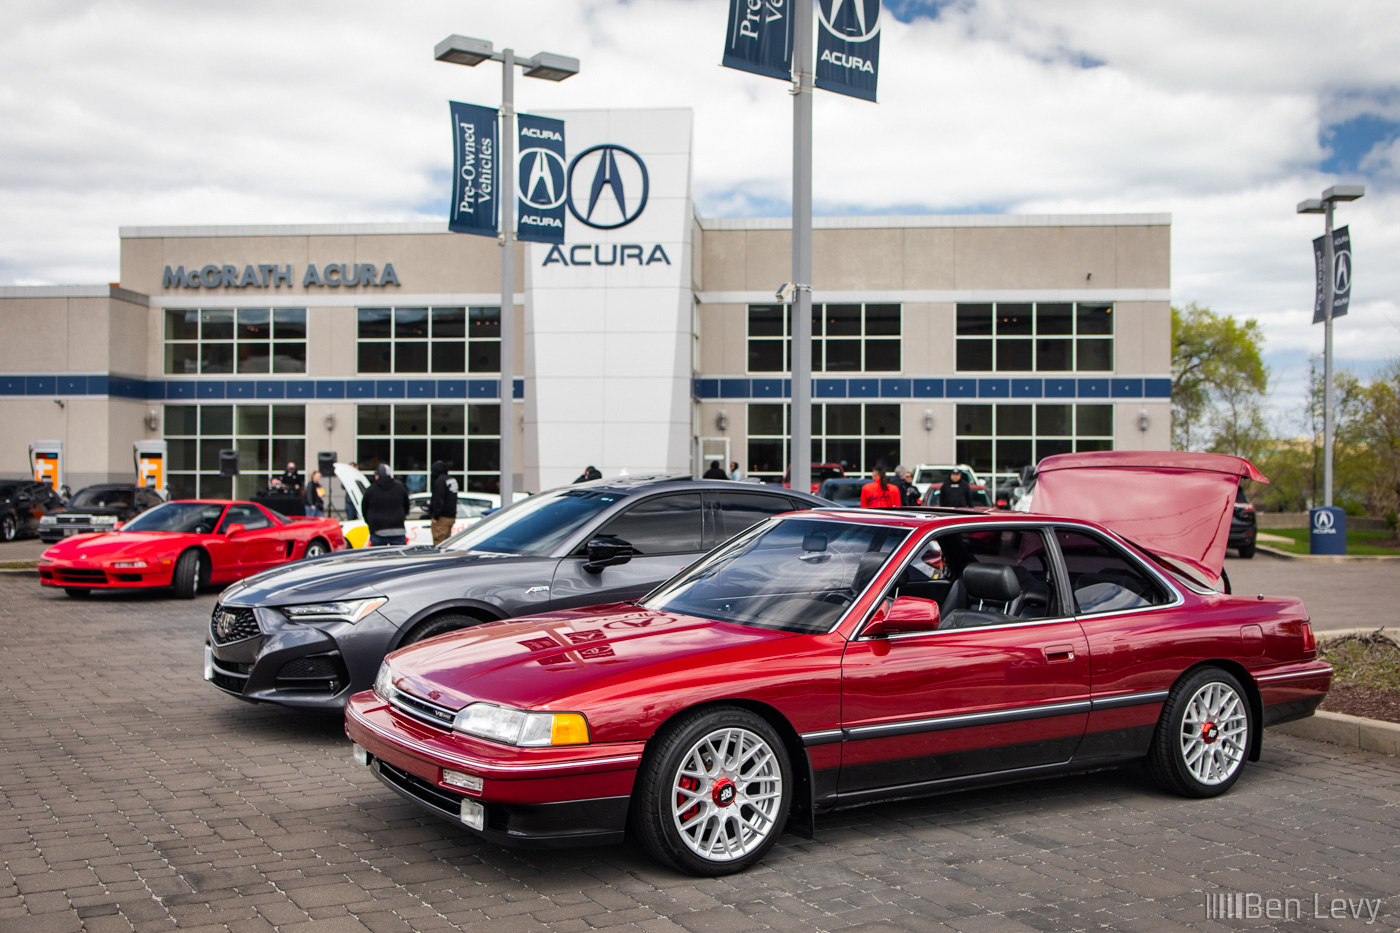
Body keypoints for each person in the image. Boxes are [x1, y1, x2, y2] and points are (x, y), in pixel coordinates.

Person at [361, 464, 410, 547]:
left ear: (377, 476)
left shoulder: (371, 490)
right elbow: (407, 506)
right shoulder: (400, 488)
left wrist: (369, 522)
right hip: (398, 528)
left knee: (378, 556)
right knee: (399, 557)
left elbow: (364, 508)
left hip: (377, 529)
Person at [428, 460, 459, 546]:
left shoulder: (440, 481)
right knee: (447, 542)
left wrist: (435, 515)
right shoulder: (451, 479)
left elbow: (438, 499)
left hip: (442, 517)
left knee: (439, 541)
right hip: (451, 515)